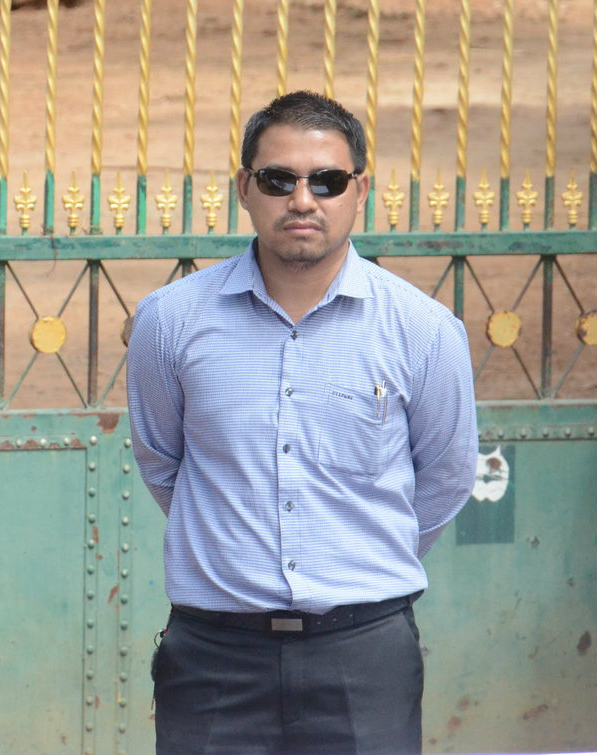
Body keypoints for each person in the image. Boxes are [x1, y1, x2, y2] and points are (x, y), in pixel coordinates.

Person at [127, 90, 478, 755]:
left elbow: (446, 474)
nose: (302, 198)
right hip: (212, 656)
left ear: (359, 190)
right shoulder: (170, 322)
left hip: (363, 653)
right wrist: (232, 548)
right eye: (278, 179)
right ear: (245, 188)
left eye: (326, 180)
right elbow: (161, 460)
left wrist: (360, 557)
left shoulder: (423, 330)